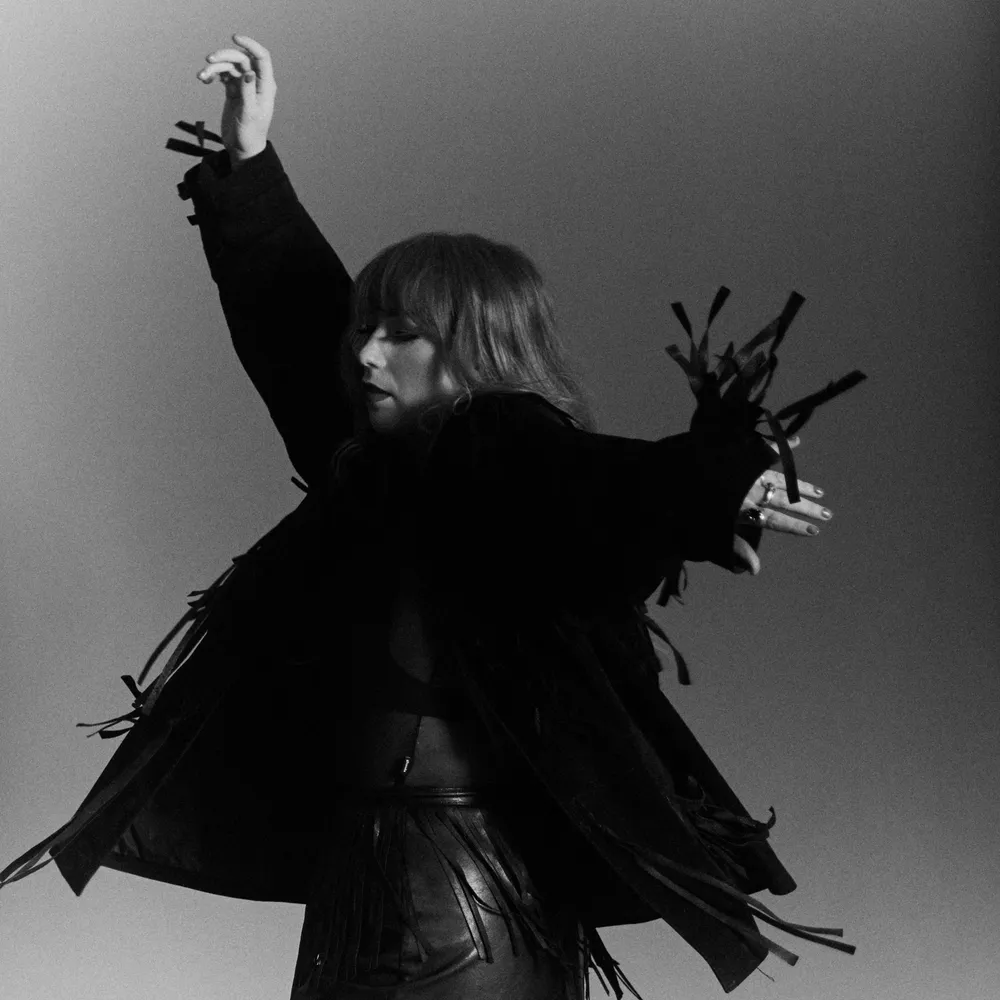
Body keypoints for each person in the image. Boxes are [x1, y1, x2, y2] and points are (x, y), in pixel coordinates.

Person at [1, 34, 855, 1000]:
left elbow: (585, 483)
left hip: (469, 892)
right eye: (366, 328)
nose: (366, 352)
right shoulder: (379, 470)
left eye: (401, 333)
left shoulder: (496, 442)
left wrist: (710, 485)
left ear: (479, 352)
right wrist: (249, 163)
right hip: (365, 874)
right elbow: (296, 318)